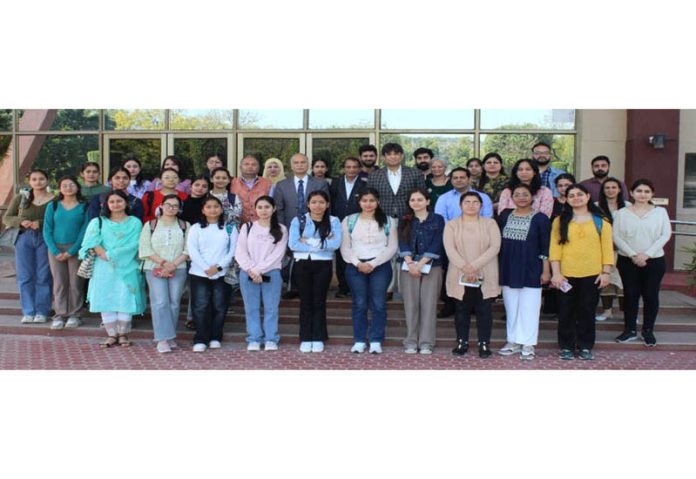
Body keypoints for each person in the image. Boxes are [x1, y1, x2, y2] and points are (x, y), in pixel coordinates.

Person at [550, 184, 614, 360]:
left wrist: (606, 272)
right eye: (571, 195)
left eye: (580, 194)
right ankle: (566, 346)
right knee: (565, 311)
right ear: (567, 199)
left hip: (592, 275)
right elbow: (554, 250)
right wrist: (556, 273)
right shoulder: (559, 221)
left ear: (587, 197)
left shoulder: (601, 221)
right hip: (565, 275)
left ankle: (585, 346)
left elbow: (607, 250)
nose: (576, 198)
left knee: (587, 310)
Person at [79, 190, 146, 347]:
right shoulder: (98, 222)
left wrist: (112, 254)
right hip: (103, 267)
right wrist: (104, 254)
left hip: (127, 266)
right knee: (105, 298)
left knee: (125, 297)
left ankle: (123, 334)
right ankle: (111, 334)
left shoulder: (135, 222)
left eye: (119, 201)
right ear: (106, 205)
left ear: (126, 203)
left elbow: (135, 244)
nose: (116, 204)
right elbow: (91, 241)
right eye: (112, 202)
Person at [612, 179, 672, 347]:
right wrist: (633, 255)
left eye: (647, 191)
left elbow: (665, 235)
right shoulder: (621, 213)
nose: (642, 194)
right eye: (639, 191)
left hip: (654, 260)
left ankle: (648, 331)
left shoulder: (660, 212)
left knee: (651, 295)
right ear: (631, 193)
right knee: (630, 295)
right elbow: (616, 236)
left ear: (652, 194)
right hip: (627, 260)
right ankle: (630, 330)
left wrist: (647, 254)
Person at [339, 188, 398, 354]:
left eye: (372, 200)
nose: (368, 204)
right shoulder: (349, 220)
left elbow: (392, 247)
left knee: (379, 304)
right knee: (359, 303)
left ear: (378, 202)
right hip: (355, 266)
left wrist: (373, 263)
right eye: (364, 200)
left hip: (380, 266)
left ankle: (376, 339)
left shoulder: (388, 221)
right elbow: (345, 247)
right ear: (359, 202)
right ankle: (359, 340)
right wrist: (358, 263)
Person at [443, 191, 501, 358]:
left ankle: (484, 343)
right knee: (461, 309)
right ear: (460, 205)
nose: (471, 205)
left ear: (481, 206)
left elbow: (495, 247)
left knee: (484, 309)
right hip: (459, 273)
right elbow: (449, 248)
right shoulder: (452, 225)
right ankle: (462, 342)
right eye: (467, 202)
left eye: (475, 202)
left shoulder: (490, 223)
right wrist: (464, 266)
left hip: (485, 272)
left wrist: (474, 265)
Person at [497, 184, 551, 360]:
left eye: (525, 194)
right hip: (508, 267)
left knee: (530, 308)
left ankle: (528, 343)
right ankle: (512, 341)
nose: (521, 197)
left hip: (532, 268)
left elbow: (545, 247)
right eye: (517, 194)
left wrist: (545, 271)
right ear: (512, 198)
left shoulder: (541, 219)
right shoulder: (504, 216)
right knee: (511, 307)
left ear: (532, 198)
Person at [289, 191, 342, 353]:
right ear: (308, 204)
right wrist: (322, 242)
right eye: (314, 202)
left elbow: (336, 243)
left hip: (323, 265)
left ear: (327, 204)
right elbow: (293, 244)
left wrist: (309, 241)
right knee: (305, 301)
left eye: (321, 202)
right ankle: (305, 337)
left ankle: (318, 337)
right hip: (302, 264)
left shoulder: (334, 221)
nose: (317, 206)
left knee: (319, 301)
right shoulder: (298, 220)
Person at [273, 153, 330, 299]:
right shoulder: (282, 185)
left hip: (314, 225)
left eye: (303, 162)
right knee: (292, 257)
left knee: (311, 256)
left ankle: (310, 287)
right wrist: (281, 227)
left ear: (308, 165)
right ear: (291, 166)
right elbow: (278, 208)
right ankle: (292, 287)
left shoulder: (319, 183)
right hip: (289, 225)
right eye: (296, 163)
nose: (299, 165)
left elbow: (325, 205)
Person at [235, 196, 288, 352]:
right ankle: (254, 338)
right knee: (251, 308)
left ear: (274, 209)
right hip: (248, 272)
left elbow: (278, 254)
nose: (263, 211)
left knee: (271, 308)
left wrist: (258, 270)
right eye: (260, 207)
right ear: (255, 209)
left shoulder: (281, 229)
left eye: (267, 207)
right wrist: (251, 269)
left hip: (271, 272)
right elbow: (240, 251)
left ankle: (271, 338)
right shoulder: (248, 227)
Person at [138, 194, 190, 353]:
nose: (171, 208)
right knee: (160, 302)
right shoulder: (150, 225)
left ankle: (170, 336)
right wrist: (164, 263)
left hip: (178, 268)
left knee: (174, 302)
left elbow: (188, 249)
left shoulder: (185, 225)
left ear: (179, 208)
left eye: (175, 206)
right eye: (168, 205)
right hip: (154, 266)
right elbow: (145, 249)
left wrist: (173, 264)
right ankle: (161, 339)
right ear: (161, 205)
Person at [187, 196, 239, 353]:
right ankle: (201, 338)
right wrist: (205, 268)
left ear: (221, 209)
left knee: (220, 306)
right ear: (203, 210)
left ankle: (216, 337)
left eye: (216, 206)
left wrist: (218, 267)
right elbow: (192, 250)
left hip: (221, 274)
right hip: (199, 273)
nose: (212, 209)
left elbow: (232, 251)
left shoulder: (230, 228)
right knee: (200, 306)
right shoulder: (196, 228)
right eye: (208, 207)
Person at [3, 169, 54, 324]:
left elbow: (57, 220)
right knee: (25, 275)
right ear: (29, 181)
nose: (38, 182)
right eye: (34, 179)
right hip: (24, 237)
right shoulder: (21, 198)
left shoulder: (54, 199)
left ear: (47, 180)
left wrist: (40, 223)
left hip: (45, 238)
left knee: (43, 275)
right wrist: (20, 222)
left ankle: (42, 311)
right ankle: (28, 311)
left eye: (41, 179)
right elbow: (7, 218)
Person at [398, 188, 445, 355]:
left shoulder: (437, 219)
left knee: (429, 305)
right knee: (410, 305)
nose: (416, 203)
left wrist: (422, 263)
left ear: (427, 201)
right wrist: (411, 263)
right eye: (412, 200)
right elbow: (402, 242)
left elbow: (437, 242)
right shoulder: (404, 219)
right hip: (408, 266)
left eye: (419, 199)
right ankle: (410, 341)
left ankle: (426, 342)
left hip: (432, 266)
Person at [43, 176, 89, 330]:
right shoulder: (53, 206)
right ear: (59, 188)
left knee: (76, 283)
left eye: (71, 185)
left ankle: (75, 315)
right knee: (59, 283)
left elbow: (85, 231)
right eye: (64, 185)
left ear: (77, 187)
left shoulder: (84, 206)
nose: (68, 188)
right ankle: (60, 314)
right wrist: (55, 250)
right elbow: (47, 229)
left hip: (76, 249)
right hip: (55, 248)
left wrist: (72, 250)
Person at [329, 157, 368, 298]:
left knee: (357, 254)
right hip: (338, 225)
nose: (351, 170)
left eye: (354, 167)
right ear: (344, 168)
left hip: (358, 224)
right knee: (341, 257)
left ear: (359, 169)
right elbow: (331, 203)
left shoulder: (364, 185)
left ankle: (356, 287)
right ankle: (343, 287)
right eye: (348, 167)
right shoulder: (335, 183)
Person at [595, 177, 631, 321]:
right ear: (603, 190)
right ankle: (607, 311)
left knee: (624, 282)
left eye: (613, 187)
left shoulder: (628, 206)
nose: (610, 190)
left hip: (623, 250)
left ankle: (627, 314)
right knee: (606, 280)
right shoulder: (596, 206)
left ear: (620, 190)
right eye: (607, 188)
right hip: (604, 249)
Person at [180, 176, 210, 331]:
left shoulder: (210, 206)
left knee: (196, 287)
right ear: (190, 186)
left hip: (203, 251)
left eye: (204, 186)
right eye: (197, 185)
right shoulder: (181, 204)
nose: (200, 188)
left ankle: (192, 317)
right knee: (180, 286)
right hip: (181, 249)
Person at [367, 143, 426, 220]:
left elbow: (423, 195)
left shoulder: (415, 173)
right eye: (389, 154)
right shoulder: (374, 175)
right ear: (383, 157)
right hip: (382, 217)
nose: (393, 157)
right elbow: (370, 197)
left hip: (409, 218)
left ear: (401, 156)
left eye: (396, 154)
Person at [230, 154, 273, 223]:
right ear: (240, 167)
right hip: (238, 225)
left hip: (262, 224)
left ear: (258, 168)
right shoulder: (232, 183)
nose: (250, 166)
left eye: (254, 164)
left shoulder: (268, 183)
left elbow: (272, 205)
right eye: (246, 164)